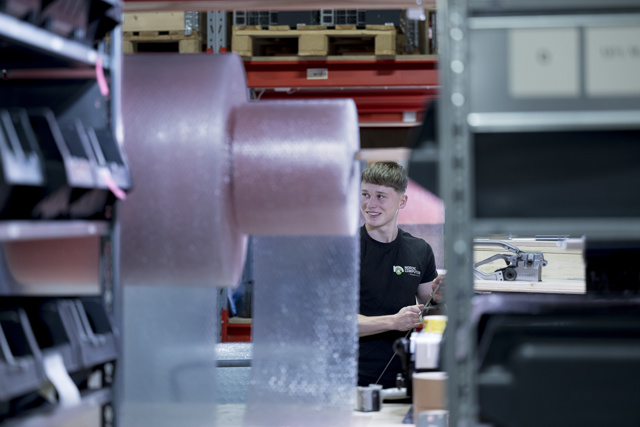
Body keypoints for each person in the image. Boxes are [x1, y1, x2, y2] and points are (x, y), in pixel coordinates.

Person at [358, 161, 442, 389]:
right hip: (352, 379)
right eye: (365, 194)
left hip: (404, 377)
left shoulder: (419, 250)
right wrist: (394, 321)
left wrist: (440, 296)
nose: (370, 204)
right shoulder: (346, 251)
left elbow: (429, 310)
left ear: (402, 201)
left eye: (380, 196)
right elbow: (335, 323)